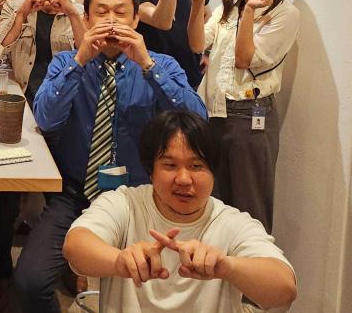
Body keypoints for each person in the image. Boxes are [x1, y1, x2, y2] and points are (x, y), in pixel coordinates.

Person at [12, 0, 207, 313]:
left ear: (136, 20)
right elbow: (46, 118)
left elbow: (197, 122)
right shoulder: (66, 62)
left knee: (156, 287)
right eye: (101, 13)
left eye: (121, 12)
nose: (112, 21)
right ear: (87, 19)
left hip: (142, 197)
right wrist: (80, 60)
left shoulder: (161, 64)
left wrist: (147, 65)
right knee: (30, 281)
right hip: (75, 193)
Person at [63, 110, 297, 311]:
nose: (184, 179)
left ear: (213, 172)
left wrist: (226, 266)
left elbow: (284, 289)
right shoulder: (125, 203)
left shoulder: (232, 222)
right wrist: (119, 261)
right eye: (170, 165)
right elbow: (75, 246)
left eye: (196, 166)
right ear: (151, 170)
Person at [0, 0, 86, 311]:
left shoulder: (81, 8)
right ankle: (0, 273)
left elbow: (89, 54)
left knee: (63, 193)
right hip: (21, 110)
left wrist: (72, 11)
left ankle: (69, 265)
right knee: (4, 196)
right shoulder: (16, 5)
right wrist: (24, 11)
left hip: (65, 113)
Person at [187, 0, 299, 233]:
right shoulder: (228, 8)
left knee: (250, 209)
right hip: (214, 113)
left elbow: (243, 59)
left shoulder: (284, 13)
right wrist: (197, 4)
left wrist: (249, 11)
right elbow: (197, 43)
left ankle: (253, 262)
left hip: (250, 116)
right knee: (214, 203)